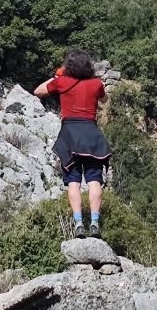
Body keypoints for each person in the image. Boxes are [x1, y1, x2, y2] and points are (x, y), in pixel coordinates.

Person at [34, 49, 111, 239]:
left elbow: (38, 91)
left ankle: (78, 223)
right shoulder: (96, 84)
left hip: (70, 135)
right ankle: (94, 223)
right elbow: (105, 99)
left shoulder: (61, 82)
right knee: (94, 180)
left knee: (73, 182)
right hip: (91, 136)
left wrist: (58, 74)